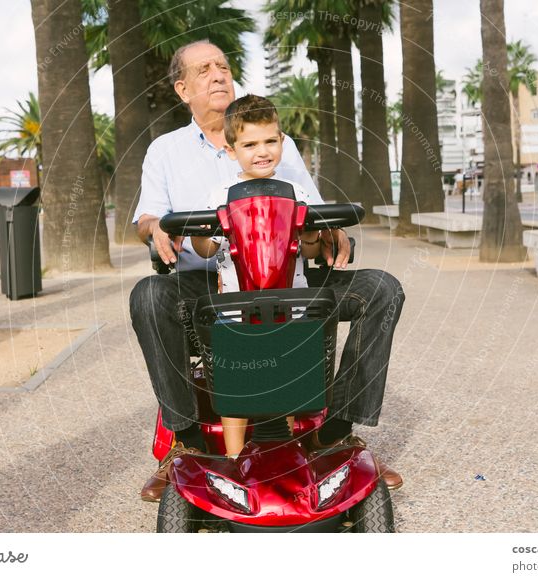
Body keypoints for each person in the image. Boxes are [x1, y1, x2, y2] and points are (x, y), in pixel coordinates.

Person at [130, 41, 404, 502]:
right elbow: (147, 219)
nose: (218, 74)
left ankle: (336, 433)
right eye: (204, 70)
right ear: (182, 89)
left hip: (287, 276)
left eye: (223, 66)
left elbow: (312, 211)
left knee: (381, 289)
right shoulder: (165, 150)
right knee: (149, 296)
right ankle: (186, 444)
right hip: (214, 284)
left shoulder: (282, 144)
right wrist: (156, 228)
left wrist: (331, 233)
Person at [190, 94, 322, 456]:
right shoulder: (221, 196)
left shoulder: (298, 194)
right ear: (232, 151)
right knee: (238, 387)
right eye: (249, 144)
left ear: (282, 142)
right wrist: (198, 230)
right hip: (237, 308)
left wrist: (312, 229)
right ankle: (234, 459)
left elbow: (310, 251)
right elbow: (208, 249)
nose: (261, 151)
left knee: (293, 382)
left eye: (270, 141)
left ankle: (295, 455)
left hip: (293, 306)